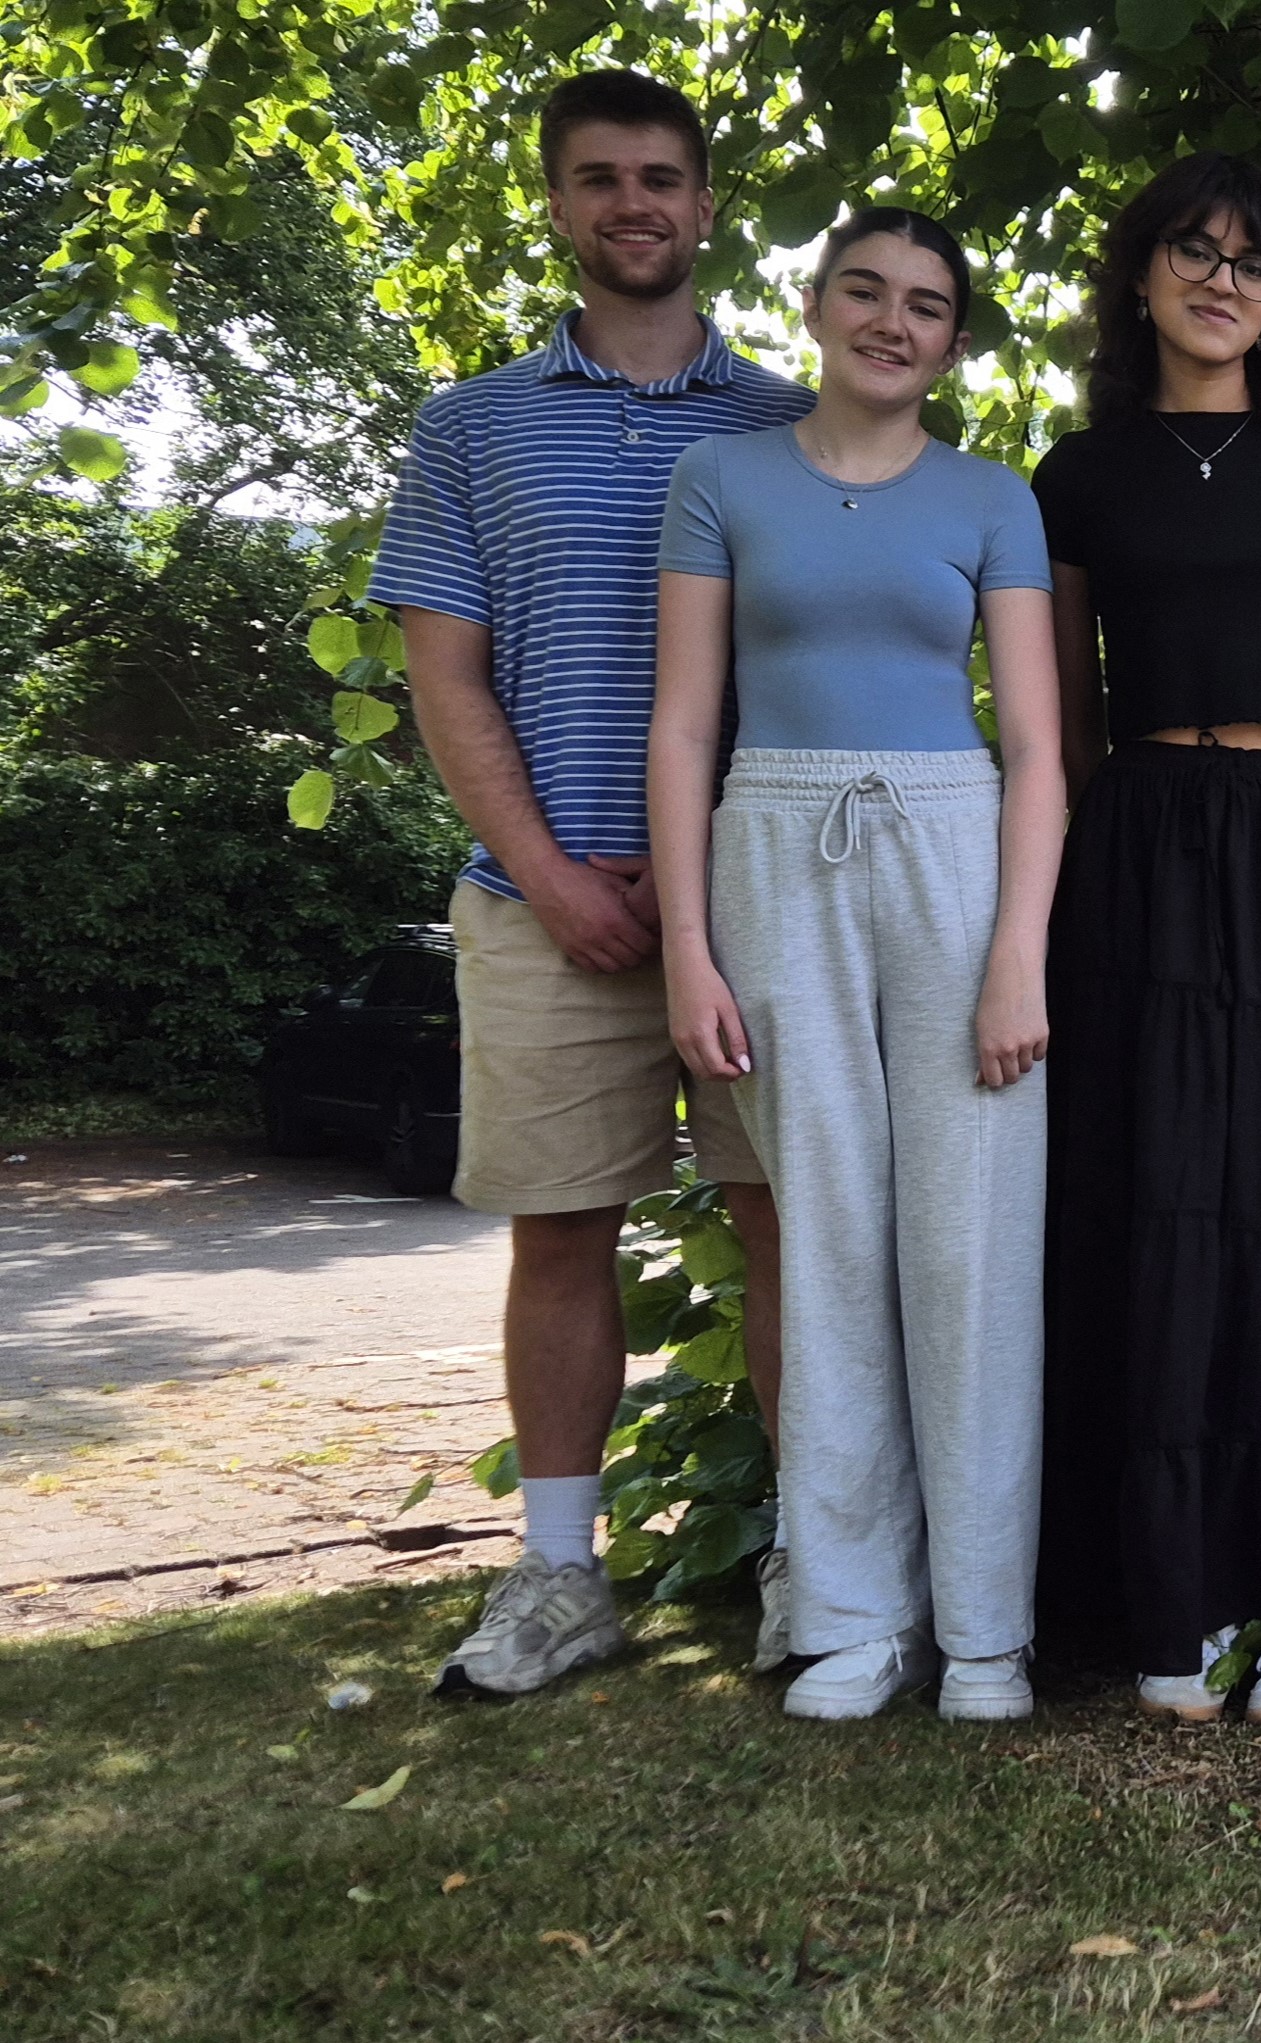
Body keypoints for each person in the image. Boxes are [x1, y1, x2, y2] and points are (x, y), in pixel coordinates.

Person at [375, 70, 810, 1697]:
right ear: (558, 204)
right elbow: (445, 676)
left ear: (705, 205)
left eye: (661, 177)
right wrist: (551, 873)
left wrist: (722, 877)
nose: (634, 203)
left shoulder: (792, 423)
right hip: (543, 906)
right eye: (601, 177)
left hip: (759, 907)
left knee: (790, 1226)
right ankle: (561, 1577)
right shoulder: (469, 426)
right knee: (559, 1234)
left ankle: (815, 1560)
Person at [647, 207, 1062, 1722]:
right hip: (775, 847)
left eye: (927, 304)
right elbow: (684, 725)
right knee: (821, 1241)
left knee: (971, 1246)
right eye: (867, 292)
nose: (894, 321)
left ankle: (986, 1632)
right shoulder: (722, 478)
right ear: (816, 306)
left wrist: (1018, 954)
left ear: (953, 340)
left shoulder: (992, 497)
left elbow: (1038, 746)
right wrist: (687, 950)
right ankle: (850, 1618)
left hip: (953, 850)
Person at [1028, 153, 1261, 1725]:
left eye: (1251, 261)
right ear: (1140, 275)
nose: (1222, 281)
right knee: (1158, 1195)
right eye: (1193, 251)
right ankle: (1170, 1597)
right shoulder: (1075, 476)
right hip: (1138, 840)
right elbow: (1066, 722)